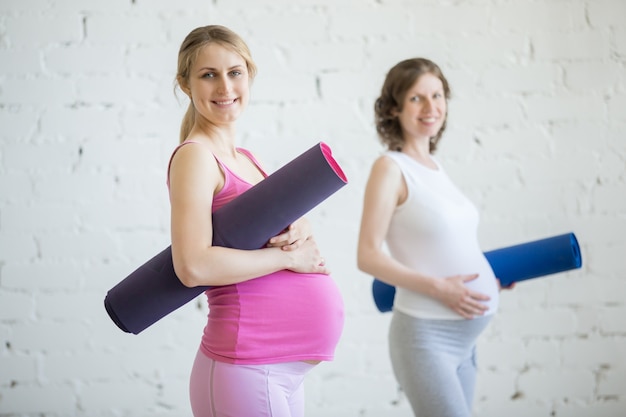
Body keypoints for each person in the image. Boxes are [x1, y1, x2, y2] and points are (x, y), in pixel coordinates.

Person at [168, 25, 344, 417]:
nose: (224, 86)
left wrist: (302, 230)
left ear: (249, 75)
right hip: (245, 364)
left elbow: (259, 235)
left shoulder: (246, 157)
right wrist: (288, 260)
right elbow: (192, 265)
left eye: (234, 72)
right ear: (185, 84)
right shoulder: (195, 157)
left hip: (277, 370)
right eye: (208, 74)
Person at [357, 58, 511, 416]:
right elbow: (367, 255)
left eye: (437, 95)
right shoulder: (390, 168)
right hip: (427, 338)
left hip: (465, 338)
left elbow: (445, 246)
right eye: (416, 98)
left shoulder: (436, 168)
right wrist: (441, 288)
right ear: (394, 108)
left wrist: (489, 278)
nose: (431, 108)